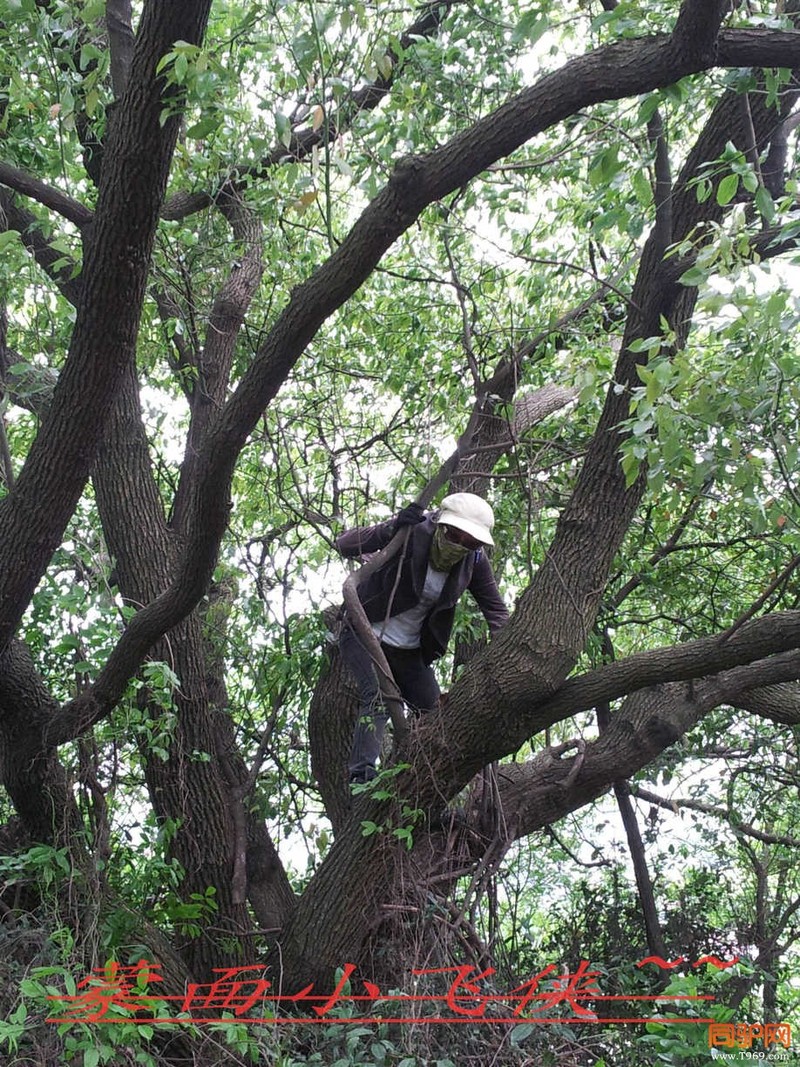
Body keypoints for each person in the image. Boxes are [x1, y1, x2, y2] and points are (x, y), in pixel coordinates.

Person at [336, 492, 510, 783]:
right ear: (442, 525)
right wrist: (392, 529)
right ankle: (361, 781)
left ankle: (416, 786)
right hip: (365, 633)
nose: (461, 546)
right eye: (455, 536)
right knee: (379, 698)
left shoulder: (474, 561)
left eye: (470, 543)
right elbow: (345, 544)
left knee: (437, 718)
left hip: (409, 651)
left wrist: (508, 649)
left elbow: (496, 611)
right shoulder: (413, 530)